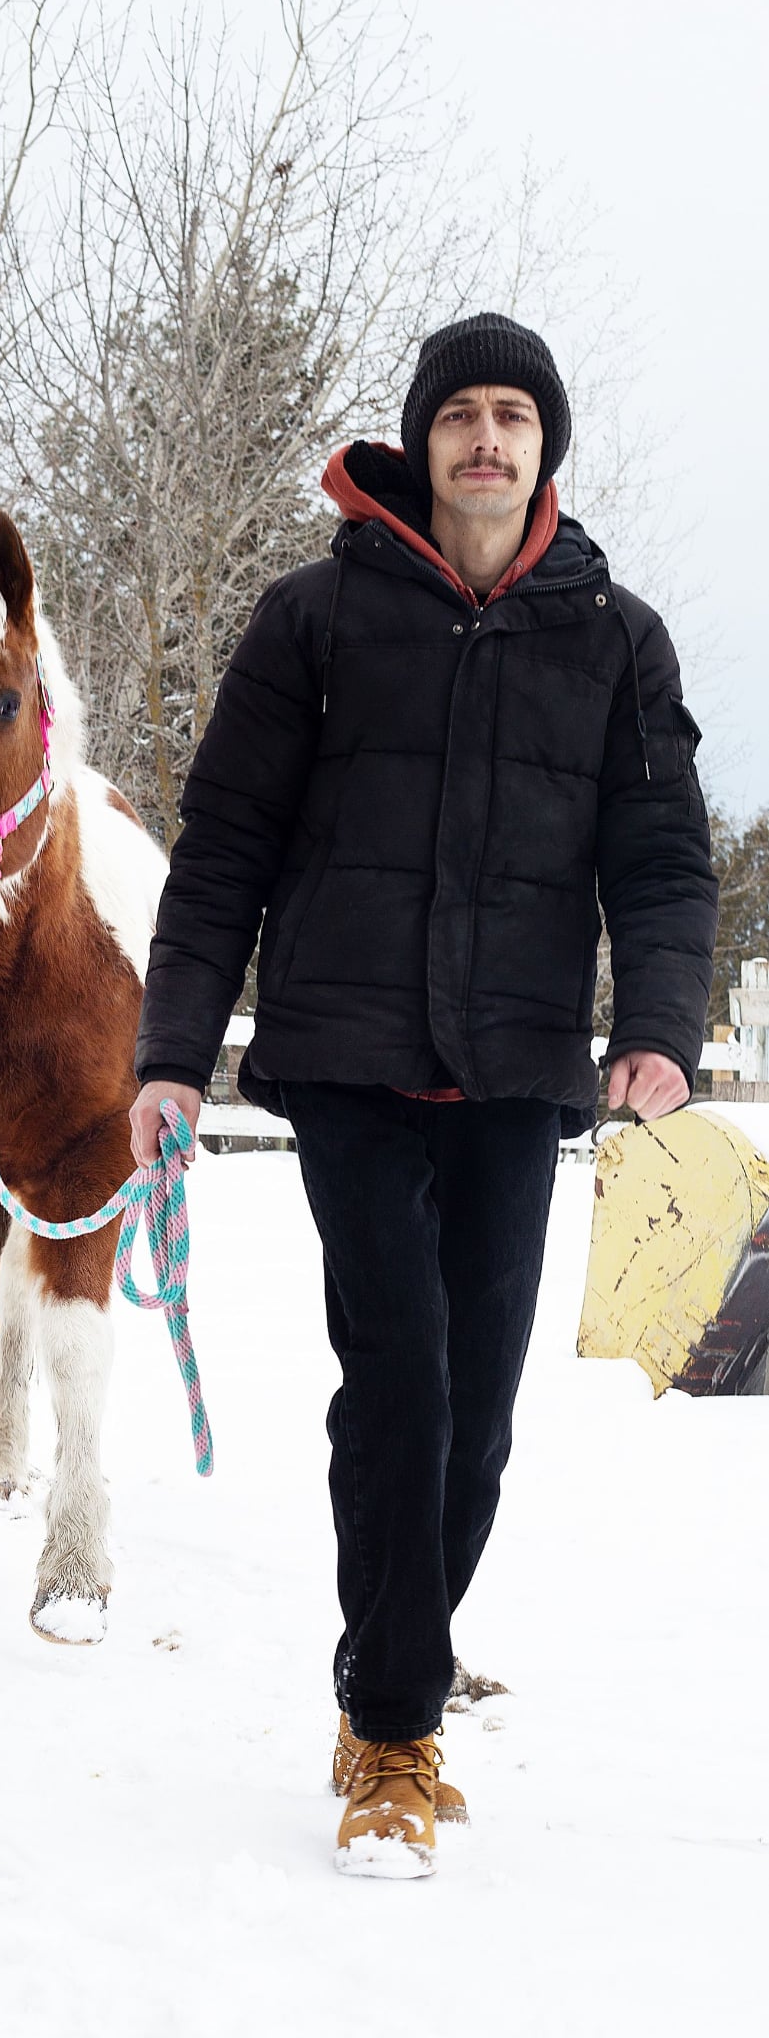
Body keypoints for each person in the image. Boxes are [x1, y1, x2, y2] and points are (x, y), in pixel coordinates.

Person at [129, 312, 718, 1879]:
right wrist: (172, 1053)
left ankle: (389, 1657)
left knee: (476, 1421)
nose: (485, 438)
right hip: (349, 1060)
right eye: (459, 413)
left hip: (515, 1072)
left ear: (544, 445)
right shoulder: (311, 618)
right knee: (399, 1384)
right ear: (420, 438)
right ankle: (391, 1731)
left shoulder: (616, 640)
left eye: (512, 414)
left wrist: (658, 1024)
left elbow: (661, 860)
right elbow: (224, 851)